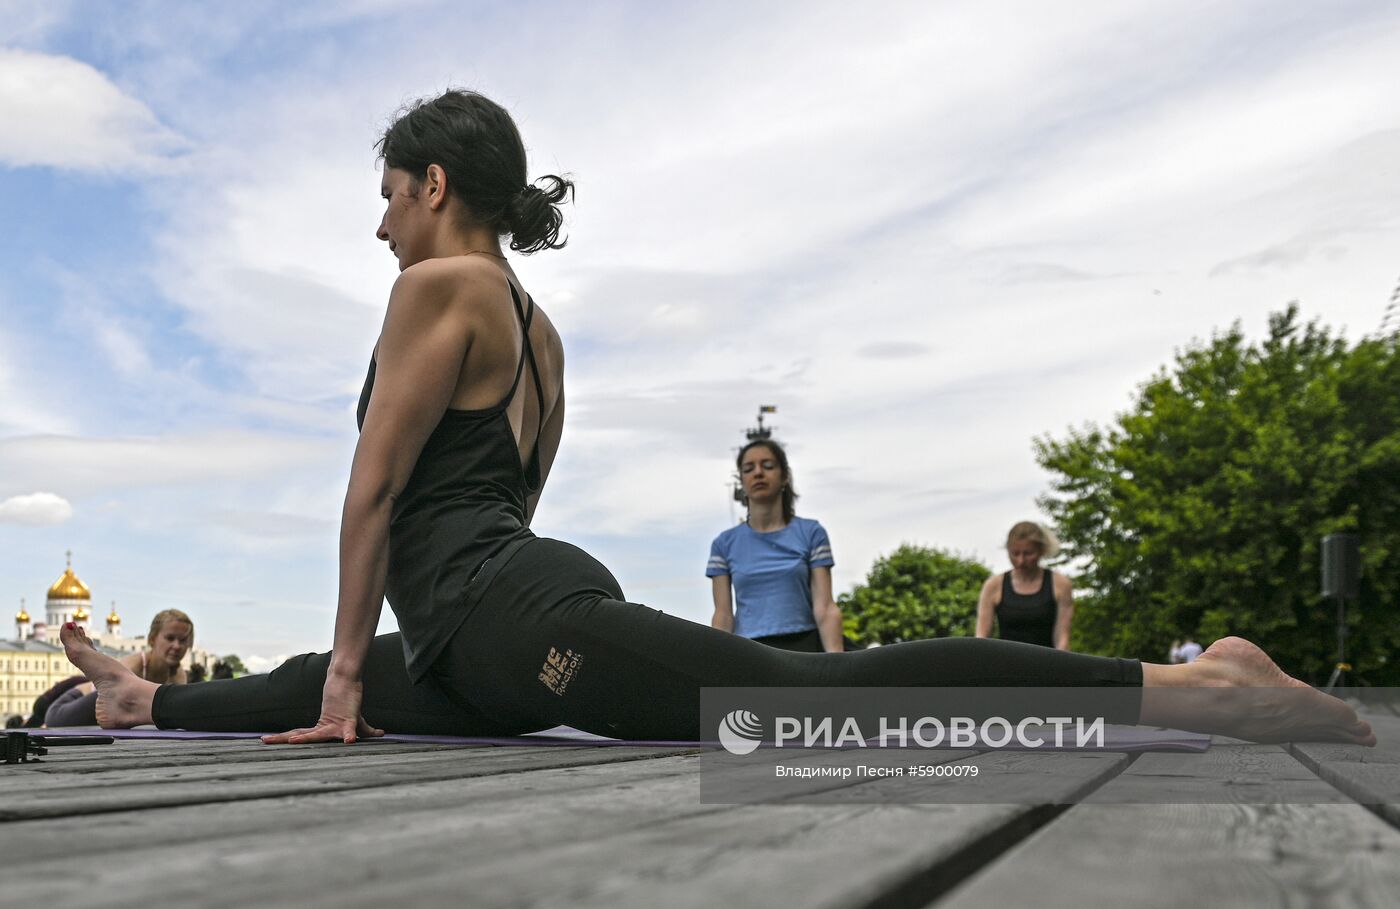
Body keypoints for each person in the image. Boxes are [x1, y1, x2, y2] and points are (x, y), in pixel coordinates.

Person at [58, 89, 1372, 748]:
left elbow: (374, 491)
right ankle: (139, 705)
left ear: (437, 182)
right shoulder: (536, 325)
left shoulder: (439, 284)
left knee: (799, 701)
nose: (381, 220)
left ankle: (1201, 691)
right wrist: (296, 681)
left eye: (390, 193)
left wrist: (350, 675)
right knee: (327, 687)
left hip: (512, 611)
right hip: (491, 619)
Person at [708, 440, 842, 652]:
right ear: (741, 480)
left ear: (784, 476)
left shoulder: (811, 533)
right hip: (750, 651)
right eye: (748, 469)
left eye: (768, 466)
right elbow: (723, 615)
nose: (758, 473)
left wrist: (836, 667)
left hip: (804, 648)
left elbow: (825, 607)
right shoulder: (723, 544)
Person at [44, 610, 192, 727]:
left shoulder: (179, 674)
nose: (177, 646)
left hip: (96, 704)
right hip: (65, 706)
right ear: (152, 639)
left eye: (183, 640)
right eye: (170, 638)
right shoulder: (133, 666)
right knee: (116, 695)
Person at [976, 522, 1073, 650]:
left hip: (1047, 664)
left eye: (1028, 554)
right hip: (1006, 664)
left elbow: (1062, 638)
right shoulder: (993, 586)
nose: (1021, 561)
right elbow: (982, 637)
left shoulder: (1061, 584)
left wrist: (1062, 666)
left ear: (1042, 551)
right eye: (1015, 554)